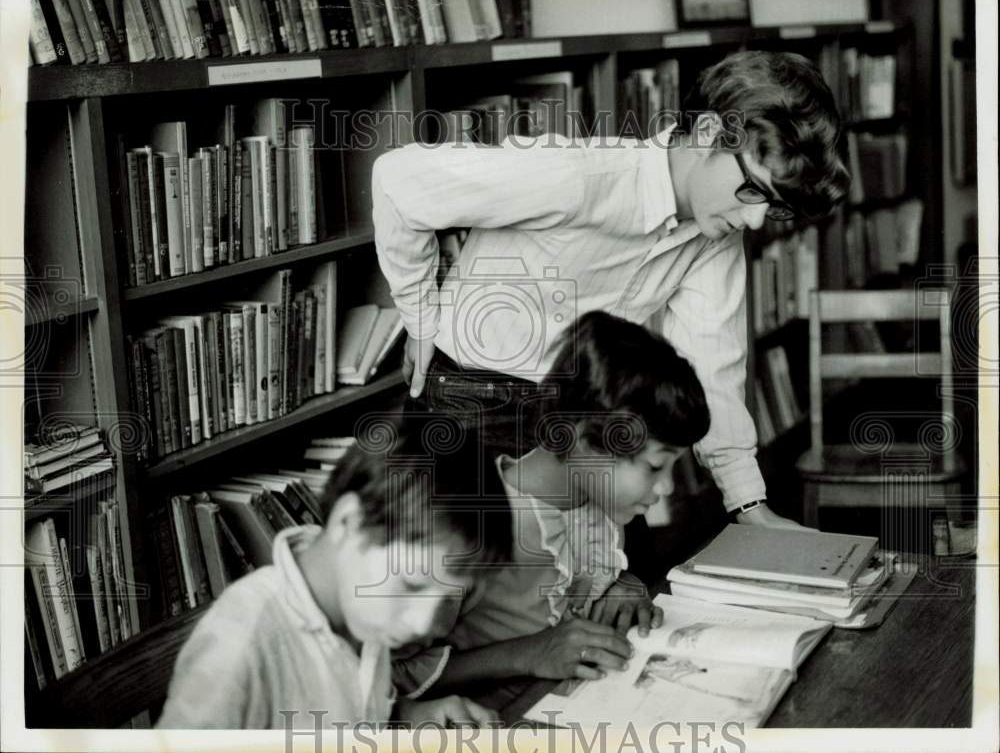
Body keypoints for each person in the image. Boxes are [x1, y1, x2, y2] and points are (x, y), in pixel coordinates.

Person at [372, 50, 850, 530]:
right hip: (474, 403)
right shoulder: (577, 175)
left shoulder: (715, 234)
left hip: (589, 422)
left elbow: (714, 371)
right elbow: (398, 182)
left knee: (618, 590)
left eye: (775, 206)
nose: (755, 219)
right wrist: (419, 320)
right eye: (753, 189)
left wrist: (748, 505)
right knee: (498, 581)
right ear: (707, 134)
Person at [392, 312, 711, 703]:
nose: (666, 487)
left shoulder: (595, 500)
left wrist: (619, 587)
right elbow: (389, 673)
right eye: (655, 466)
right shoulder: (467, 527)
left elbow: (574, 594)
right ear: (585, 442)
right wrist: (528, 653)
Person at [156, 419, 512, 729]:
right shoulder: (241, 642)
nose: (424, 624)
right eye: (413, 583)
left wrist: (411, 716)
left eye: (450, 596)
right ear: (349, 522)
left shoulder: (358, 603)